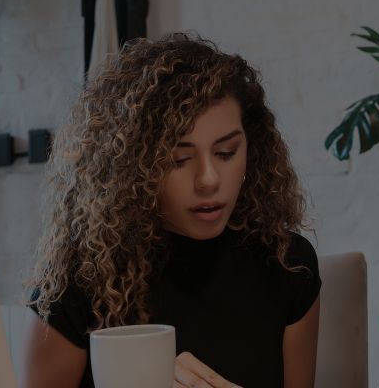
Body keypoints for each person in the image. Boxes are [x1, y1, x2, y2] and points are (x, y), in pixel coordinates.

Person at [23, 33, 321, 388]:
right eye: (178, 160)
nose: (209, 179)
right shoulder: (80, 278)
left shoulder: (288, 263)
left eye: (226, 153)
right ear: (133, 167)